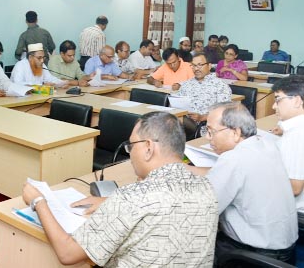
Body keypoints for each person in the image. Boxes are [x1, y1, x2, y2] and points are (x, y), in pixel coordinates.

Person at [22, 112, 218, 267]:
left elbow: (68, 253)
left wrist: (39, 202)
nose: (130, 152)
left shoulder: (131, 198)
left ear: (148, 147)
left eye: (131, 145)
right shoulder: (207, 187)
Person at [188, 102, 297, 264]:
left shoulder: (234, 159)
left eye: (211, 131)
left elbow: (202, 209)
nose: (207, 137)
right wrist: (185, 169)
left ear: (236, 132)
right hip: (284, 249)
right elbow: (221, 173)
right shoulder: (265, 143)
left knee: (188, 244)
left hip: (253, 256)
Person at [271, 76, 304, 226]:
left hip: (296, 214)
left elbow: (294, 187)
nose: (273, 106)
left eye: (278, 99)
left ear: (297, 100)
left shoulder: (297, 135)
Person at [176, 53, 232, 125]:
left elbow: (224, 112)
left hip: (205, 124)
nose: (196, 68)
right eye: (193, 65)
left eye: (200, 65)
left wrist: (203, 117)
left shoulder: (220, 85)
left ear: (209, 66)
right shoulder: (186, 84)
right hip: (184, 120)